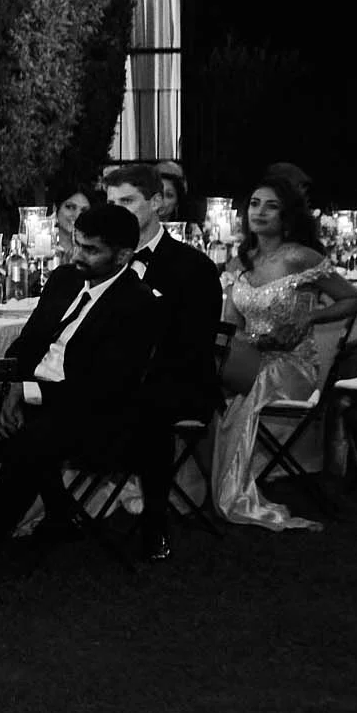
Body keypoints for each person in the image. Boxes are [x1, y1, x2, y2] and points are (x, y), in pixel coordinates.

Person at [0, 204, 163, 561]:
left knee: (31, 440)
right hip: (36, 395)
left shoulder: (136, 305)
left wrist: (23, 393)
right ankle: (59, 511)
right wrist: (8, 388)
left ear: (124, 255)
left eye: (91, 250)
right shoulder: (65, 280)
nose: (78, 255)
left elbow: (102, 387)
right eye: (77, 244)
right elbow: (25, 344)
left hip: (93, 412)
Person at [210, 175, 357, 530]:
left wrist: (311, 315)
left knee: (253, 382)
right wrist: (242, 344)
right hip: (252, 357)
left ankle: (234, 495)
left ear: (287, 216)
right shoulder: (240, 263)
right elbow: (231, 325)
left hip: (293, 365)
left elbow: (356, 300)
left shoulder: (300, 257)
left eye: (271, 205)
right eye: (254, 203)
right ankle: (204, 482)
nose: (260, 212)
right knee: (216, 377)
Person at [104, 162, 224, 560]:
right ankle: (55, 511)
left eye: (127, 200)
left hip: (179, 381)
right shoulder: (99, 260)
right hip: (116, 378)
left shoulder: (192, 266)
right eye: (111, 201)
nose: (116, 209)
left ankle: (155, 521)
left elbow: (192, 346)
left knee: (149, 405)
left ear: (156, 203)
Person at [53, 186, 96, 265]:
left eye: (84, 210)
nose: (77, 215)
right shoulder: (41, 245)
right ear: (55, 208)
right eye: (70, 207)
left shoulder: (94, 250)